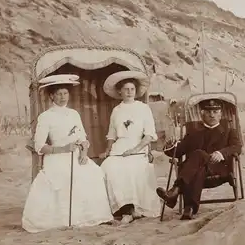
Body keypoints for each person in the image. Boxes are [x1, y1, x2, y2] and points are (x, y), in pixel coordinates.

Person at [22, 74, 113, 233]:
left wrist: (84, 152)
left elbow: (83, 138)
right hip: (56, 157)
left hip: (77, 156)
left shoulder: (74, 114)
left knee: (94, 173)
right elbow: (39, 146)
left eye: (65, 93)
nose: (63, 97)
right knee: (64, 179)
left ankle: (89, 217)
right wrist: (64, 149)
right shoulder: (45, 117)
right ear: (51, 96)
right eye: (59, 94)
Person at [156, 98, 242, 220]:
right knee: (198, 167)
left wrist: (221, 153)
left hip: (218, 169)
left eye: (215, 111)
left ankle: (176, 190)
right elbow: (178, 151)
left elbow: (237, 147)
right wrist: (169, 146)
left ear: (220, 114)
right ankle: (189, 209)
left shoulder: (229, 131)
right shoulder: (194, 133)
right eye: (208, 112)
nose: (212, 115)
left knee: (198, 154)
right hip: (195, 172)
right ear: (202, 114)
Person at [99, 70, 161, 224]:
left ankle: (132, 209)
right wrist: (107, 150)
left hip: (138, 148)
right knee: (109, 167)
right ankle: (123, 208)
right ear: (120, 91)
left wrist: (135, 149)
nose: (129, 92)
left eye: (132, 89)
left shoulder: (143, 108)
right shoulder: (117, 110)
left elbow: (149, 135)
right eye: (126, 89)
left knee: (131, 167)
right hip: (119, 148)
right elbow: (112, 134)